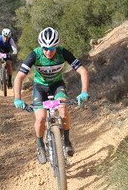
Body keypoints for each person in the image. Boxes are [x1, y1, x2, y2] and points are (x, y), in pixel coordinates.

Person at [13, 27, 89, 164]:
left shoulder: (63, 53)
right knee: (41, 118)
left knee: (64, 111)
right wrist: (17, 99)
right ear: (41, 46)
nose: (48, 51)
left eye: (52, 48)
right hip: (39, 87)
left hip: (56, 86)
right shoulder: (35, 55)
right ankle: (40, 146)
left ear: (57, 46)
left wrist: (84, 92)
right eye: (45, 48)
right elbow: (19, 78)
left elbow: (83, 71)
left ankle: (66, 141)